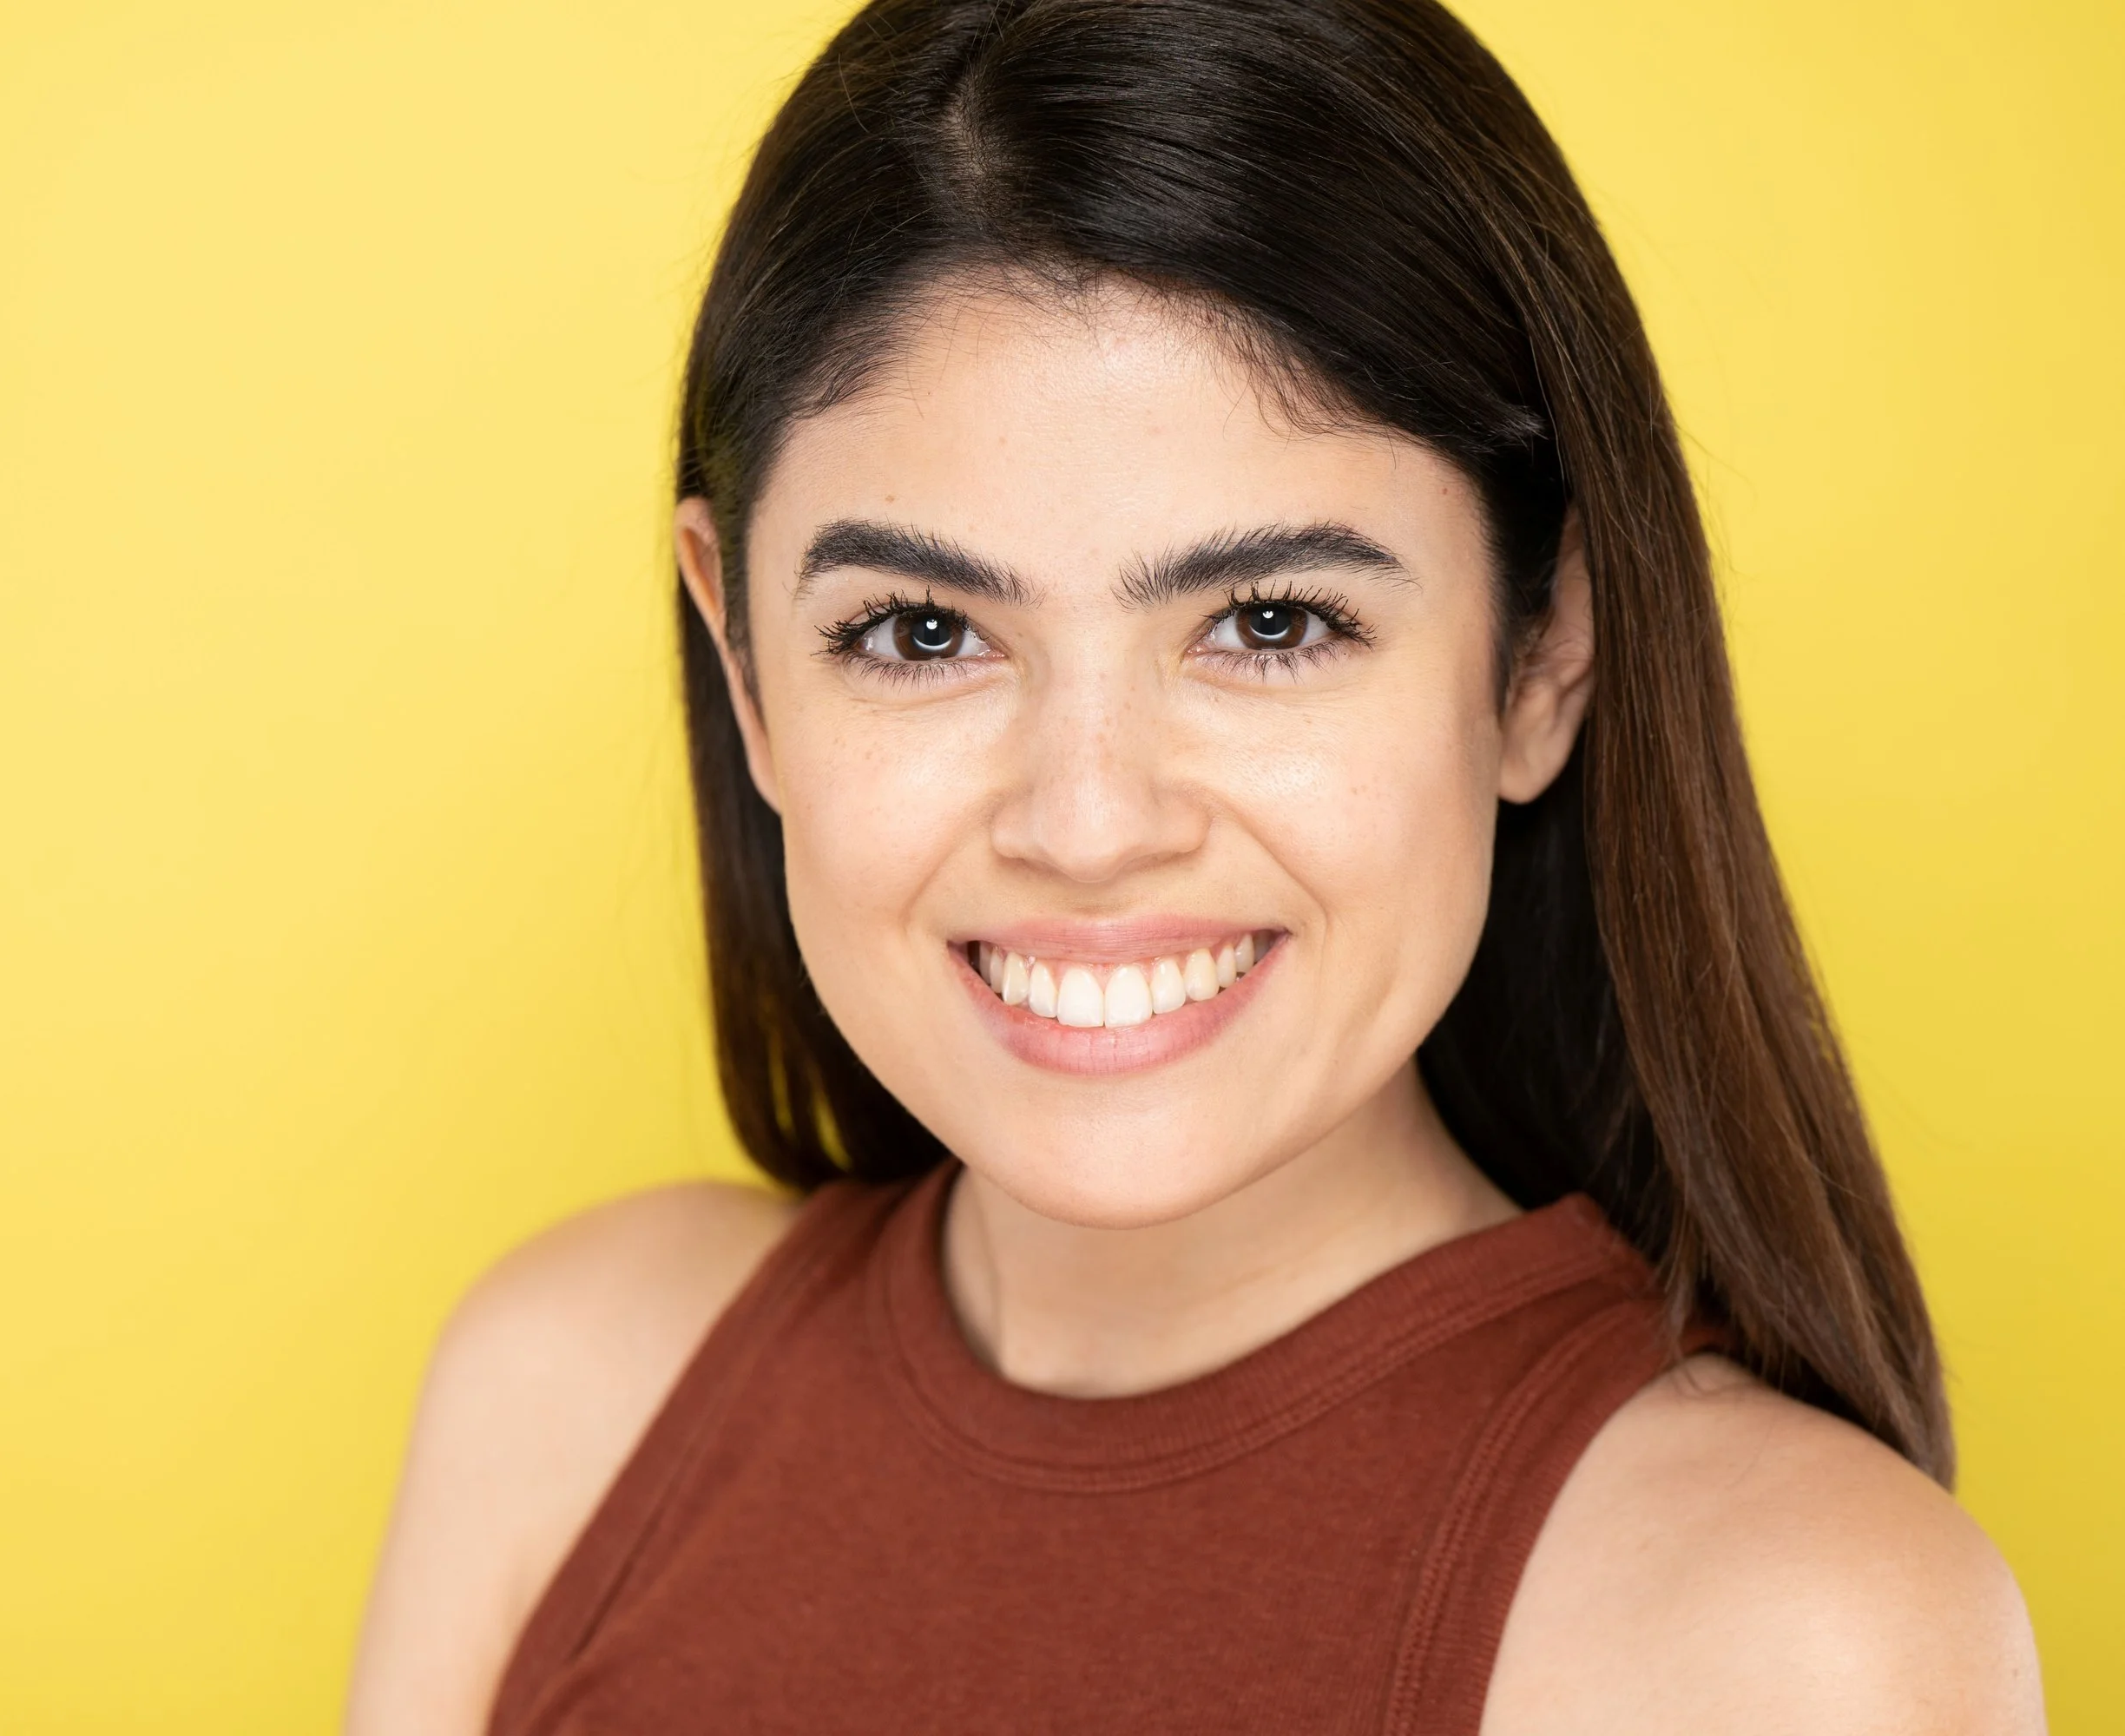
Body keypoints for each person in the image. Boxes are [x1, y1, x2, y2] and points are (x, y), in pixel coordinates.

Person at [345, 1, 2044, 1729]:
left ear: (1541, 659)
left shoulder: (1785, 1634)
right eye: (921, 630)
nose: (1086, 822)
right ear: (744, 665)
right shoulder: (566, 1396)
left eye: (1270, 621)